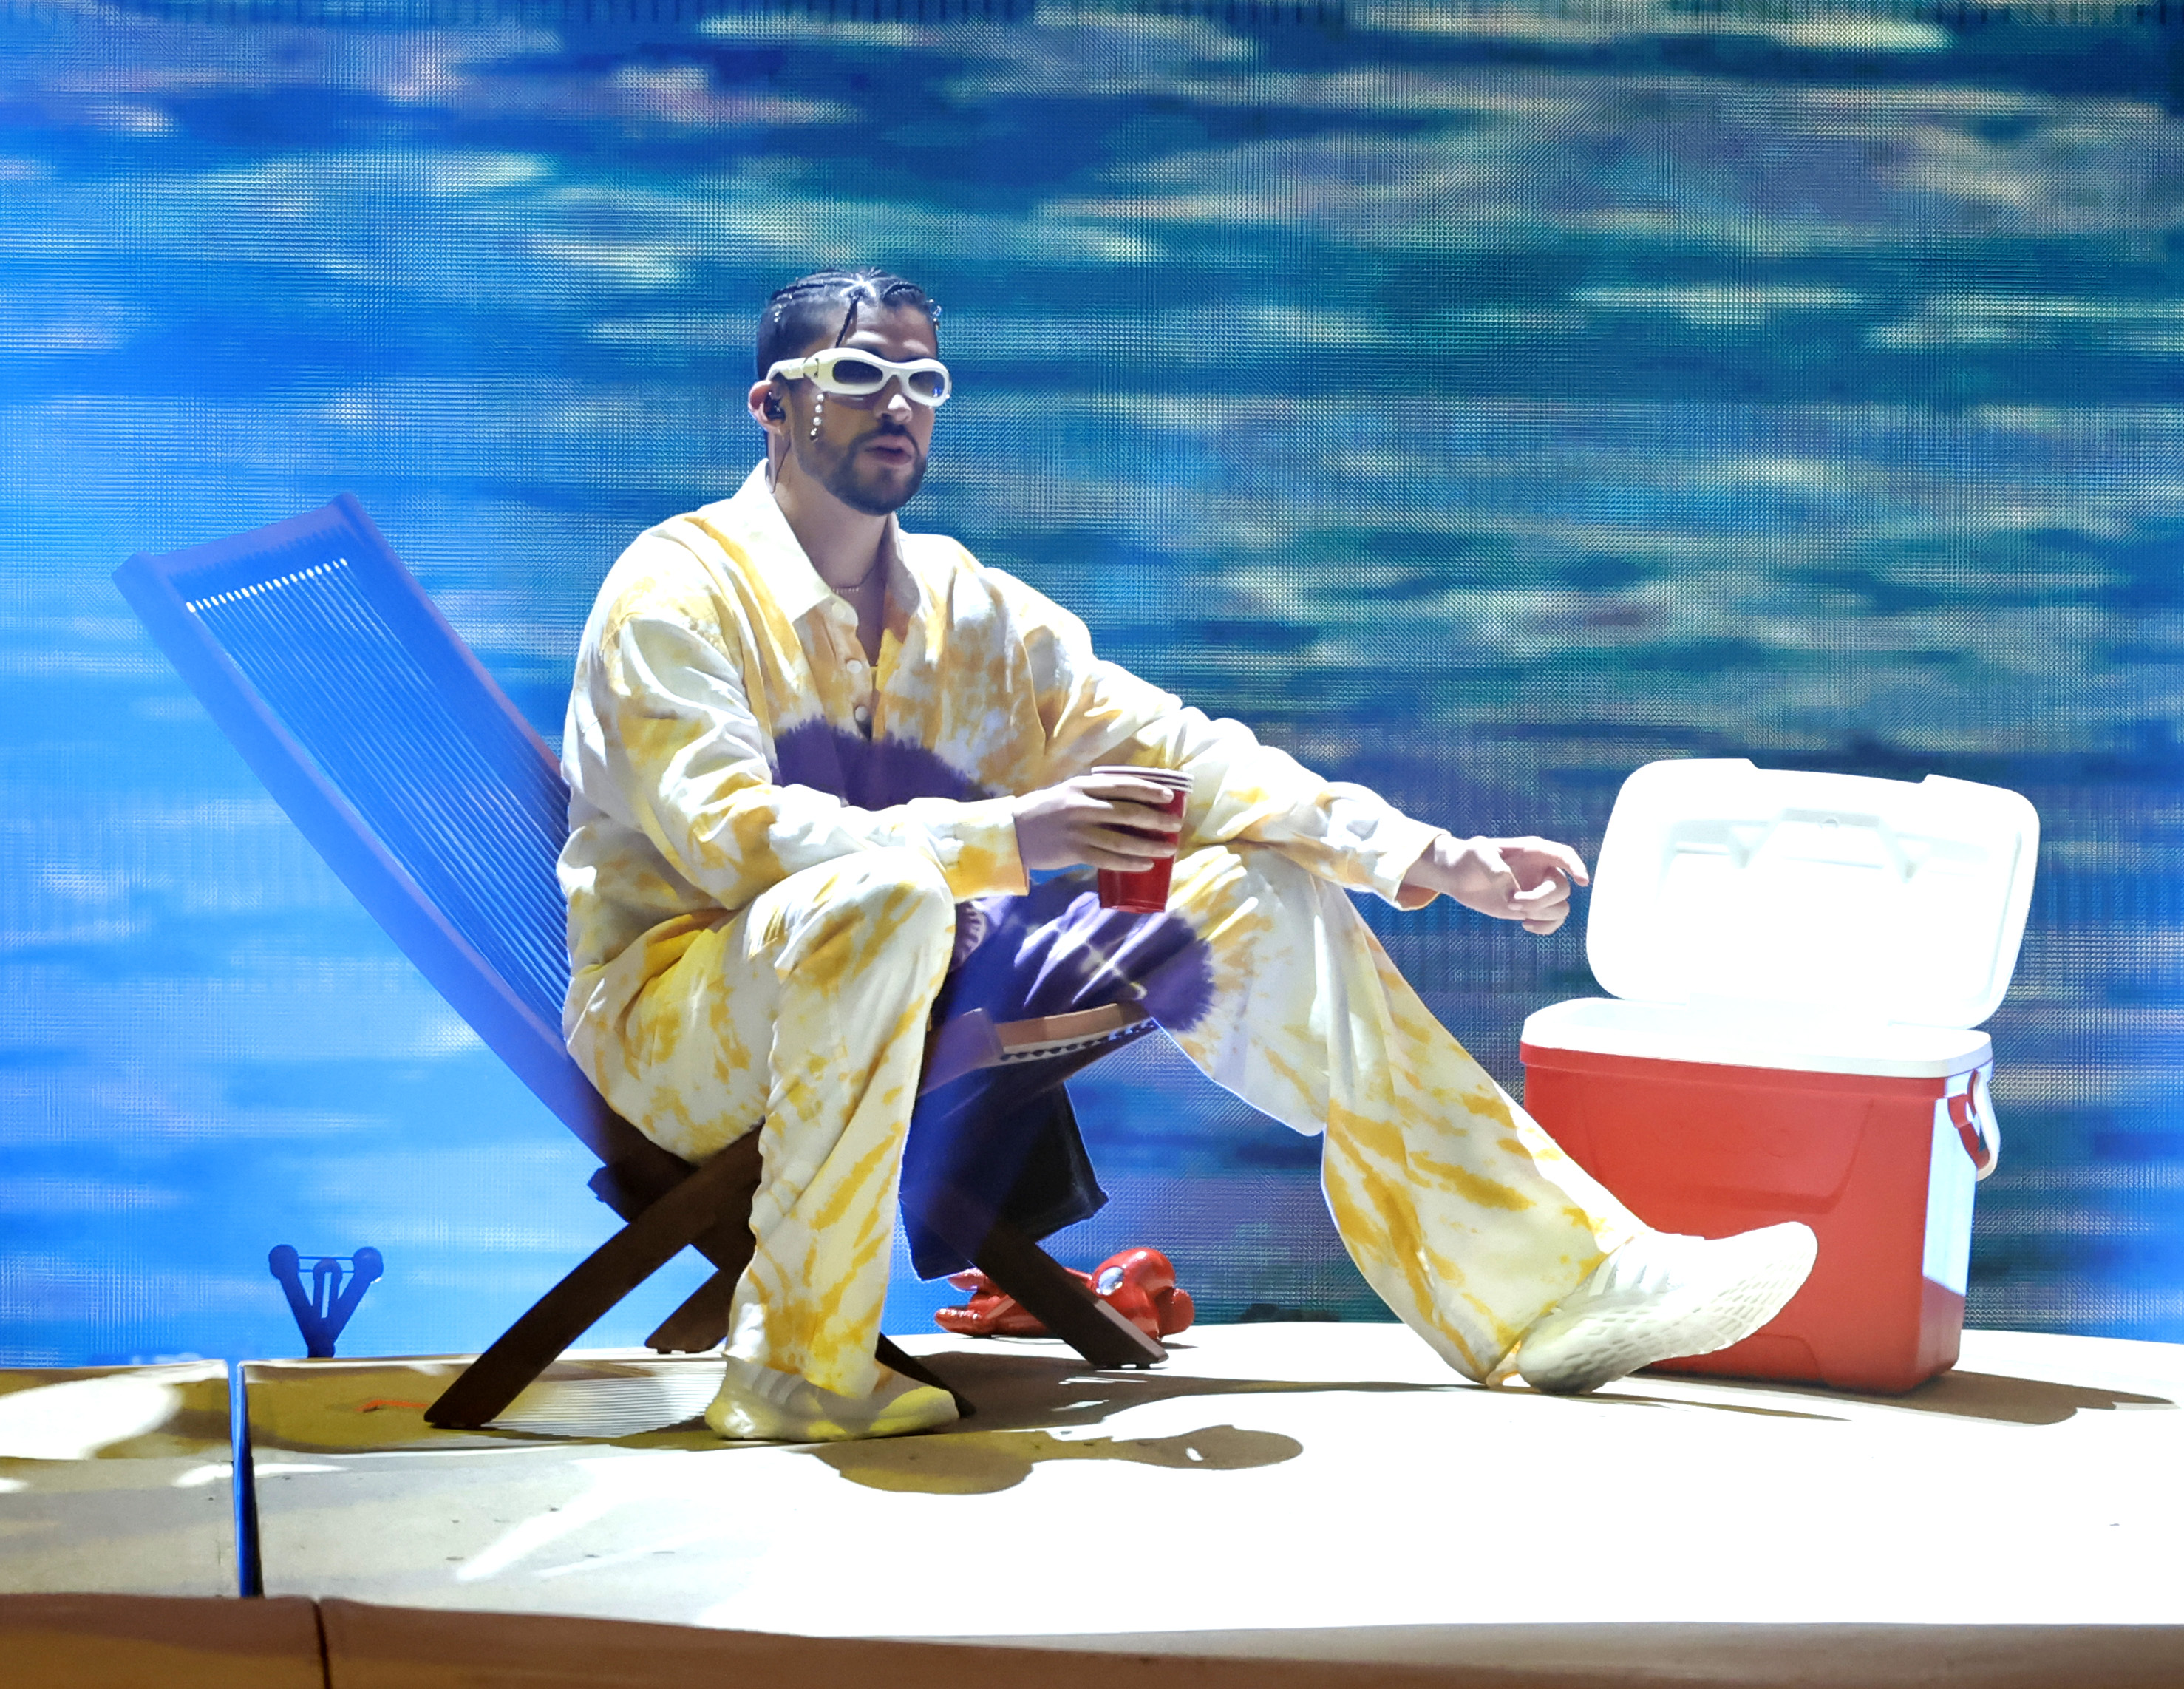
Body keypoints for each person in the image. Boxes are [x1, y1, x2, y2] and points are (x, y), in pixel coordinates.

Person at [559, 267, 1815, 1442]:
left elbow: (1185, 754)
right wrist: (1012, 836)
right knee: (888, 891)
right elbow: (736, 839)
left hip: (927, 984)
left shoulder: (966, 607)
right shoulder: (673, 591)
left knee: (1252, 887)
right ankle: (799, 1364)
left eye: (924, 382)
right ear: (772, 406)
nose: (898, 404)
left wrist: (1428, 854)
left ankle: (1555, 1289)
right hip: (684, 1024)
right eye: (858, 375)